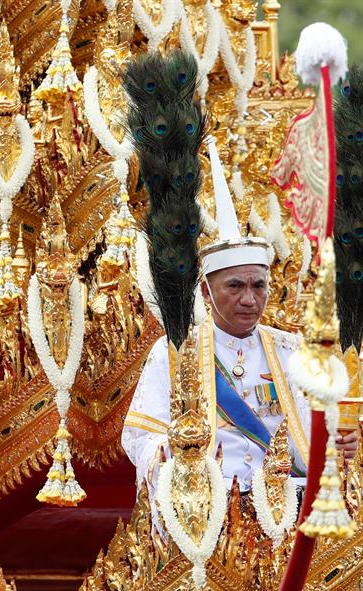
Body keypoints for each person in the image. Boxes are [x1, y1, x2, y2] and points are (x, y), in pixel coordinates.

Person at [122, 137, 357, 497]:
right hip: (206, 500)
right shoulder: (173, 352)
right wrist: (173, 453)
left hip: (286, 496)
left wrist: (338, 446)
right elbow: (142, 435)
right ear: (205, 291)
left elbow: (317, 437)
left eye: (258, 286)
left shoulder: (292, 351)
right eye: (235, 286)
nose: (250, 299)